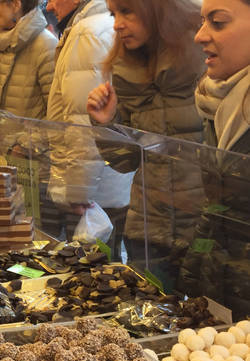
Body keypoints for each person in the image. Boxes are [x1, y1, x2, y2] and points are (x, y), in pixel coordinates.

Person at [86, 0, 205, 280]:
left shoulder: (208, 59)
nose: (117, 23)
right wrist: (106, 124)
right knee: (149, 317)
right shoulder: (126, 68)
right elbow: (127, 161)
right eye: (113, 13)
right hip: (148, 230)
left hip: (204, 232)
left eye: (127, 11)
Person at [177, 0, 250, 317]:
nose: (200, 35)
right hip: (226, 298)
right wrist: (194, 274)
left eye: (218, 22)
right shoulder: (215, 103)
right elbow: (219, 207)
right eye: (202, 21)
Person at [43, 0, 124, 254]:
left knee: (96, 279)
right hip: (108, 184)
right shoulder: (89, 28)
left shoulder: (88, 32)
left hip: (95, 193)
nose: (50, 6)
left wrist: (78, 191)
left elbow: (83, 121)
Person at [0, 0, 57, 118]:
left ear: (16, 5)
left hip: (27, 136)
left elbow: (56, 117)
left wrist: (27, 136)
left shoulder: (46, 45)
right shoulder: (1, 41)